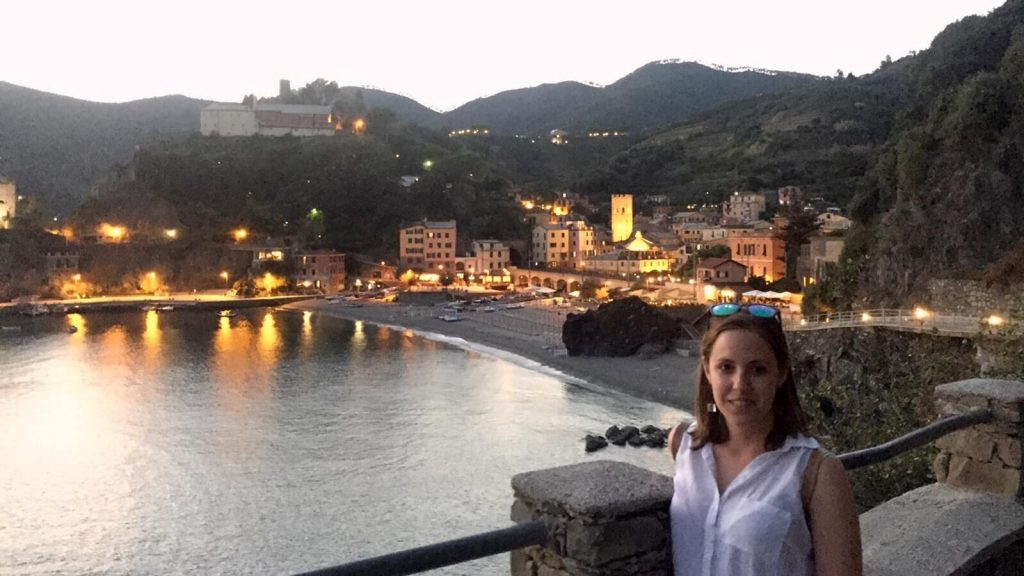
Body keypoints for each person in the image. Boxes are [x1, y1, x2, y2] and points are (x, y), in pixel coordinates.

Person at [668, 303, 862, 576]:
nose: (740, 384)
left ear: (780, 373)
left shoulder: (816, 474)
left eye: (757, 370)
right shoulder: (683, 445)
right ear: (707, 370)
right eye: (726, 367)